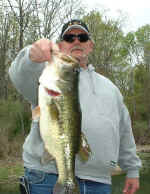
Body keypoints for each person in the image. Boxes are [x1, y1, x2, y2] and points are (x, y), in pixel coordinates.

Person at [9, 19, 141, 194]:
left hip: (100, 182)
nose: (76, 40)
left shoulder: (112, 89)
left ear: (91, 45)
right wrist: (31, 56)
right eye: (69, 37)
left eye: (83, 37)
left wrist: (132, 169)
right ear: (60, 45)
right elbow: (19, 76)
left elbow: (124, 130)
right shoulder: (44, 77)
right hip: (46, 177)